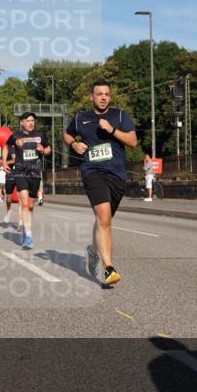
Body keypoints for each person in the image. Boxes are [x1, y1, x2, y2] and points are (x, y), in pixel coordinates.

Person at [63, 79, 138, 286]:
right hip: (92, 171)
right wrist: (74, 144)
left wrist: (112, 130)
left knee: (104, 222)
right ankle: (108, 268)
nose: (103, 97)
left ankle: (92, 252)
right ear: (91, 97)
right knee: (104, 217)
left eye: (107, 94)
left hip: (117, 174)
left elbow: (133, 142)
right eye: (99, 94)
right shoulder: (81, 118)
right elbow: (67, 134)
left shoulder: (119, 115)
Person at [3, 112, 51, 249]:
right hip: (20, 172)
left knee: (30, 206)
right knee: (24, 203)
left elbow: (48, 149)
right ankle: (28, 236)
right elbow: (6, 146)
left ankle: (25, 230)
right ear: (22, 122)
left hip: (35, 172)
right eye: (28, 120)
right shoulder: (15, 136)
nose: (31, 123)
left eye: (32, 120)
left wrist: (43, 149)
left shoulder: (40, 135)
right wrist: (5, 162)